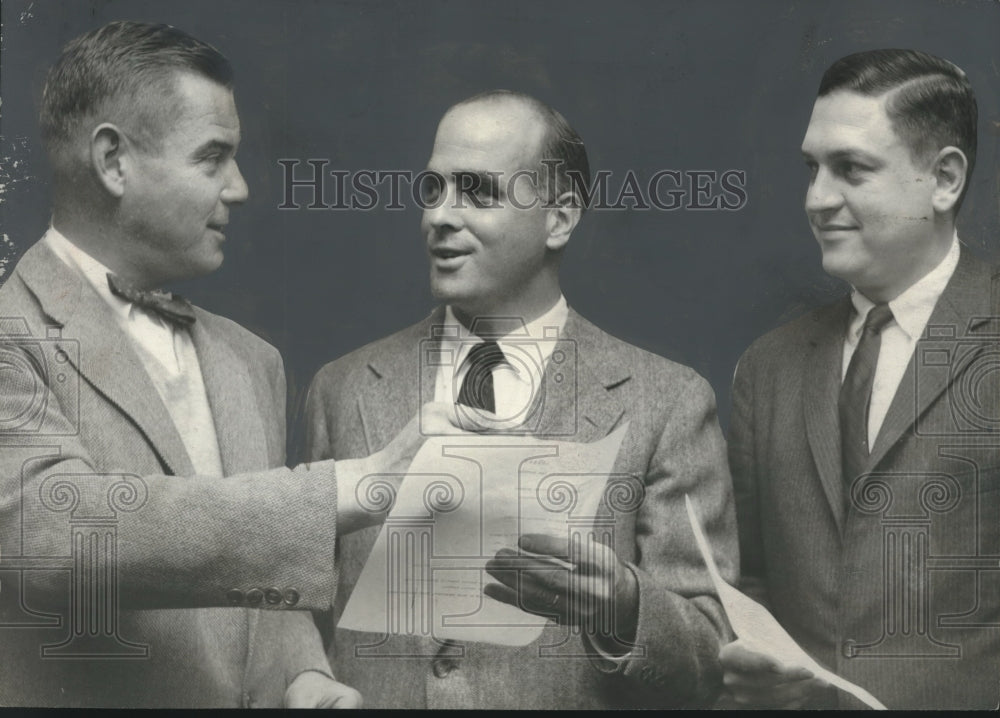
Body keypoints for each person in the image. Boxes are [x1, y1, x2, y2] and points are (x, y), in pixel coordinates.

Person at [0, 20, 456, 708]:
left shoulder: (251, 360)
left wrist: (303, 676)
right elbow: (55, 537)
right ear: (113, 161)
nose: (240, 188)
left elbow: (253, 580)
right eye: (212, 158)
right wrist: (350, 488)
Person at [300, 90, 738, 709]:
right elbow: (295, 613)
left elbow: (712, 658)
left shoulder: (669, 403)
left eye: (477, 192)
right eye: (434, 189)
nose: (439, 217)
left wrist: (626, 606)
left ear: (559, 218)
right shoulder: (340, 389)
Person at [722, 49, 999, 710]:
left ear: (944, 179)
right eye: (811, 168)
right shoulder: (769, 367)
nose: (817, 199)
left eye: (850, 169)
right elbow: (748, 580)